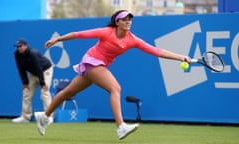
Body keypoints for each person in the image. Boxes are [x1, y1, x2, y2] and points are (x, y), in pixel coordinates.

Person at [34, 10, 191, 139]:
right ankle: (121, 126)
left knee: (67, 92)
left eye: (130, 19)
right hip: (92, 62)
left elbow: (157, 51)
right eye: (124, 19)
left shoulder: (133, 40)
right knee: (115, 88)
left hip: (97, 66)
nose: (128, 21)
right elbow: (79, 34)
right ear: (117, 22)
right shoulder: (106, 32)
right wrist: (58, 39)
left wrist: (180, 57)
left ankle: (44, 116)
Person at [13, 38, 54, 124]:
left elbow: (39, 68)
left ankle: (49, 117)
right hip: (33, 73)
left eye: (20, 46)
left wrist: (42, 83)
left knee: (44, 92)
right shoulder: (17, 54)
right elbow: (20, 69)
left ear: (25, 46)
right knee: (26, 92)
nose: (18, 48)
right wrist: (25, 83)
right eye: (17, 46)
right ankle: (25, 117)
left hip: (45, 70)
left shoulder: (33, 53)